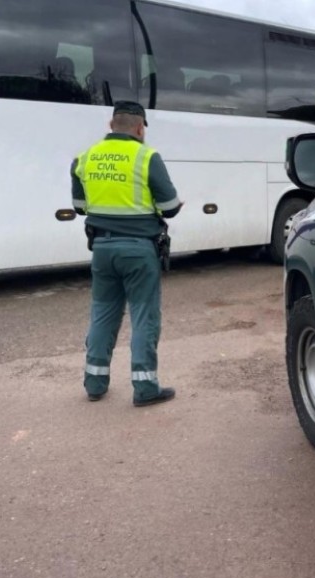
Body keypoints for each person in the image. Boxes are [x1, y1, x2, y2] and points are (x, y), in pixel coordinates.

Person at [70, 101, 183, 407]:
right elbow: (170, 206)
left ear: (111, 125)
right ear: (139, 128)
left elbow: (80, 207)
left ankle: (94, 383)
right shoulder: (147, 157)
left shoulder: (85, 158)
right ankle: (145, 388)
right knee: (144, 315)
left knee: (103, 313)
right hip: (138, 250)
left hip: (102, 249)